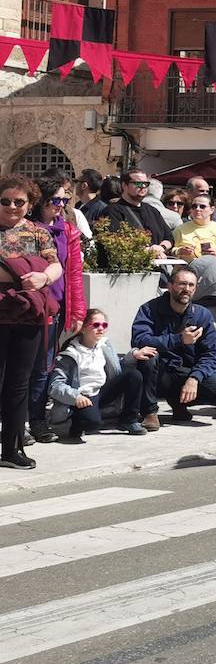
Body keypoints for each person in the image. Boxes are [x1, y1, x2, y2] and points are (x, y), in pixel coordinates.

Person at [0, 176, 63, 469]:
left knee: (19, 383)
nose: (12, 207)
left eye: (19, 202)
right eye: (5, 201)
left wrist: (43, 277)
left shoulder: (38, 233)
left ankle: (12, 449)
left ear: (29, 204)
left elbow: (55, 264)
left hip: (28, 315)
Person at [26, 176, 87, 445]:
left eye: (65, 200)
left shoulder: (68, 230)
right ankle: (15, 423)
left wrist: (78, 311)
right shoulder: (26, 228)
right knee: (16, 369)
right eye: (56, 200)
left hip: (55, 307)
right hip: (25, 307)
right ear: (41, 201)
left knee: (43, 368)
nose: (61, 205)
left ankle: (37, 420)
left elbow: (74, 273)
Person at [130, 267, 216, 423]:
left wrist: (194, 378)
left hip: (187, 372)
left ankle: (179, 402)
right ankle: (149, 412)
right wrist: (179, 339)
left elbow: (211, 354)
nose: (187, 289)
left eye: (191, 285)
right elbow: (139, 340)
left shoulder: (202, 315)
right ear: (170, 286)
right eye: (182, 284)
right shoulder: (149, 309)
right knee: (148, 355)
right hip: (160, 373)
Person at [47, 310, 153, 439]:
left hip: (102, 390)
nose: (101, 329)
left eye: (104, 325)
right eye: (96, 325)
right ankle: (75, 422)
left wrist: (133, 355)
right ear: (84, 328)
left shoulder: (104, 345)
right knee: (91, 424)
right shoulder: (70, 354)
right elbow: (55, 385)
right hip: (83, 396)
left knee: (133, 375)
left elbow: (117, 368)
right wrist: (75, 397)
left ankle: (128, 420)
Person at [103, 169, 175, 259]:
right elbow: (114, 242)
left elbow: (169, 238)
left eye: (146, 184)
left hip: (158, 268)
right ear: (124, 186)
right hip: (132, 268)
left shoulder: (153, 211)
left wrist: (161, 248)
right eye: (138, 184)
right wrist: (148, 251)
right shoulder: (113, 211)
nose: (143, 187)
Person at [173, 193, 216, 262]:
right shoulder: (180, 229)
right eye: (194, 206)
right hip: (187, 270)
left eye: (202, 206)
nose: (197, 209)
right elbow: (168, 251)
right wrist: (179, 251)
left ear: (212, 210)